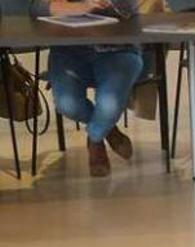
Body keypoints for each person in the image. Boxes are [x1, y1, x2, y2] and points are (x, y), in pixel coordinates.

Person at [33, 0, 142, 178]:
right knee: (67, 105)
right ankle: (108, 129)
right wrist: (76, 7)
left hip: (118, 48)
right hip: (69, 51)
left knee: (109, 105)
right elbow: (36, 8)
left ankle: (95, 138)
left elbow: (128, 9)